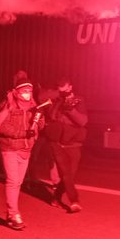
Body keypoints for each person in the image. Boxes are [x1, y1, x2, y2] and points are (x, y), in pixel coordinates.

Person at [0, 72, 43, 230]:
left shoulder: (34, 106)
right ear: (17, 92)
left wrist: (39, 119)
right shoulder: (8, 104)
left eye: (30, 91)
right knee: (13, 181)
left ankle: (10, 214)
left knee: (19, 182)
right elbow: (1, 127)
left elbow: (39, 126)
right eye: (25, 91)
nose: (28, 94)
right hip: (10, 148)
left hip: (25, 148)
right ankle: (14, 214)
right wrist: (22, 133)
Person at [39, 78, 89, 213]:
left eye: (65, 87)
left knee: (70, 175)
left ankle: (56, 197)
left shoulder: (78, 100)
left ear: (71, 86)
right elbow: (41, 99)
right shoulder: (55, 99)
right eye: (59, 87)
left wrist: (70, 109)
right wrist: (57, 95)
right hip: (57, 142)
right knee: (66, 173)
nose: (63, 89)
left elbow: (83, 121)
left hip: (73, 143)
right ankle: (74, 201)